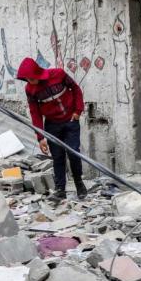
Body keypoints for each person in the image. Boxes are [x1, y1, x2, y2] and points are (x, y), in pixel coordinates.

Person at [16, 57, 87, 200]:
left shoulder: (58, 74)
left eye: (32, 78)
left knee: (74, 153)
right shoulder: (30, 89)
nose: (30, 81)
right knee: (58, 157)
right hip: (52, 125)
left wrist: (78, 111)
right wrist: (40, 137)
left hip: (70, 121)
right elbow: (34, 112)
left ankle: (79, 184)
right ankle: (60, 189)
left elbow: (76, 89)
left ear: (37, 73)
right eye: (27, 79)